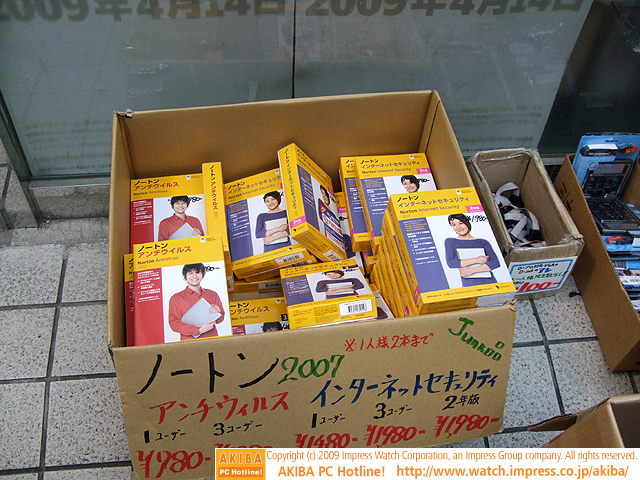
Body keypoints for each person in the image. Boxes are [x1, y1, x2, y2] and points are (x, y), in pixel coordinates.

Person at [168, 263, 225, 340]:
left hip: (212, 338)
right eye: (190, 273)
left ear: (202, 274)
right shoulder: (176, 298)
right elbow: (174, 324)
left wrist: (218, 312)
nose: (194, 276)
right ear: (185, 276)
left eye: (197, 272)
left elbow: (220, 319)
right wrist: (198, 330)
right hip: (189, 342)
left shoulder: (212, 294)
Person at [444, 214, 500, 286]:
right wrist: (477, 260)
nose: (458, 227)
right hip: (469, 284)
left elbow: (495, 263)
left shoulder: (483, 242)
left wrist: (471, 270)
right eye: (454, 225)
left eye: (460, 223)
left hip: (490, 282)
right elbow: (451, 263)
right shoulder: (450, 241)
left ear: (467, 222)